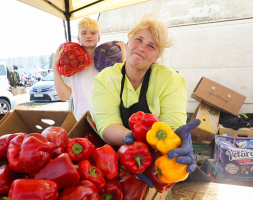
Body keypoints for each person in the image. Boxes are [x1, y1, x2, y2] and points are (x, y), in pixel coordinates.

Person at [92, 14, 201, 186]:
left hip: (162, 163)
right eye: (138, 40)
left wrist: (176, 136)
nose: (142, 48)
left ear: (156, 56)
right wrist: (132, 140)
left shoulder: (170, 79)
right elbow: (106, 125)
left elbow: (172, 127)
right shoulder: (107, 78)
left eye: (151, 46)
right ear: (127, 43)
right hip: (123, 162)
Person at [53, 17, 126, 120]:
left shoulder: (109, 62)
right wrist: (54, 67)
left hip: (107, 122)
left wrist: (123, 60)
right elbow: (63, 96)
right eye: (84, 33)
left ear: (99, 37)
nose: (88, 36)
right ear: (78, 38)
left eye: (93, 33)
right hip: (82, 121)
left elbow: (122, 88)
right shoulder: (72, 65)